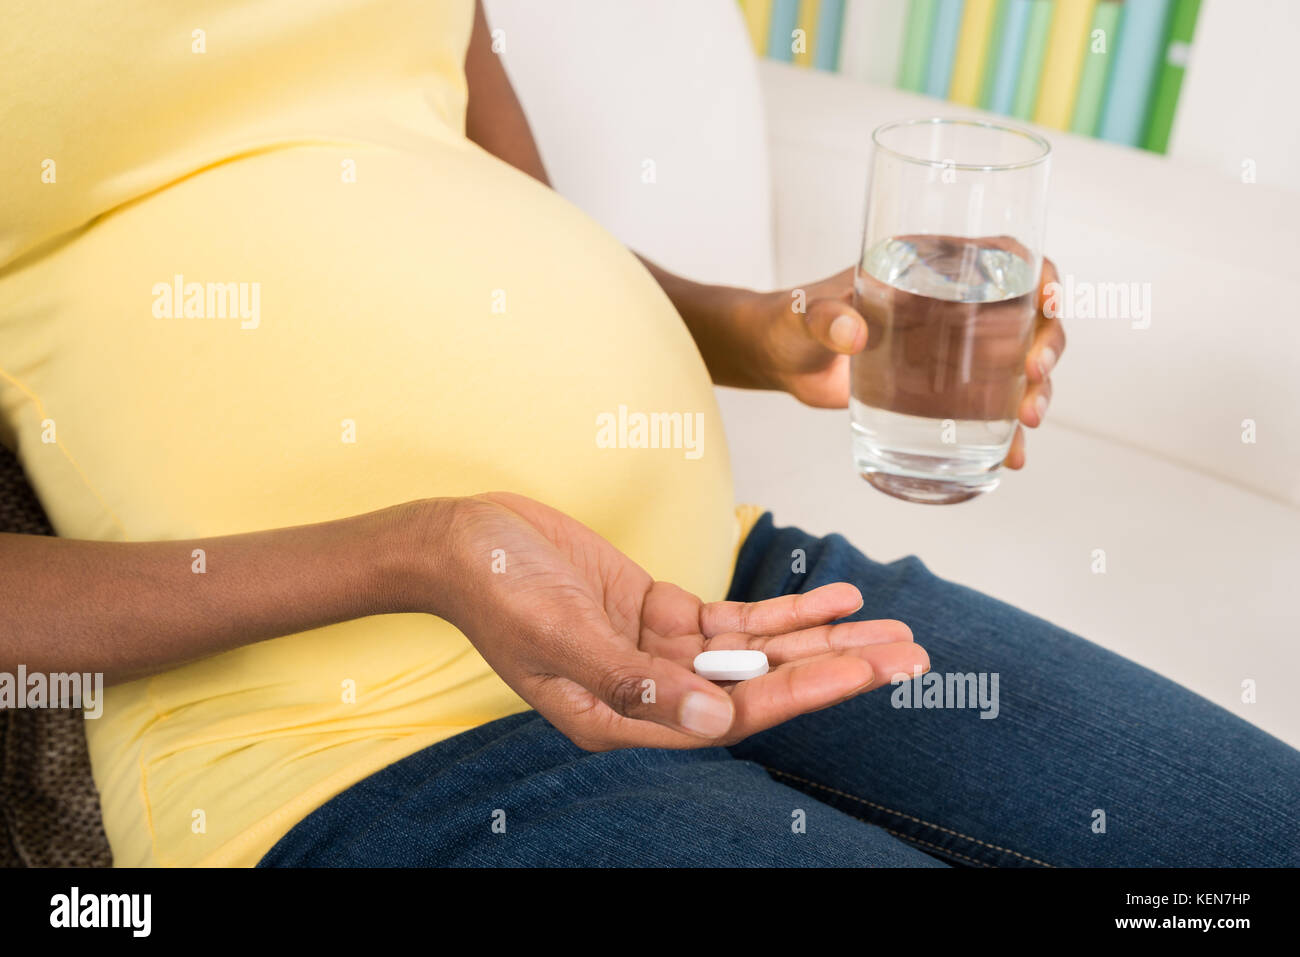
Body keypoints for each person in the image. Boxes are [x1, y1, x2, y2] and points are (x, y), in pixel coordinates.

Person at [1, 0, 1296, 868]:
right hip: (353, 736)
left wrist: (763, 329)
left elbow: (501, 219)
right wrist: (427, 550)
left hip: (715, 591)